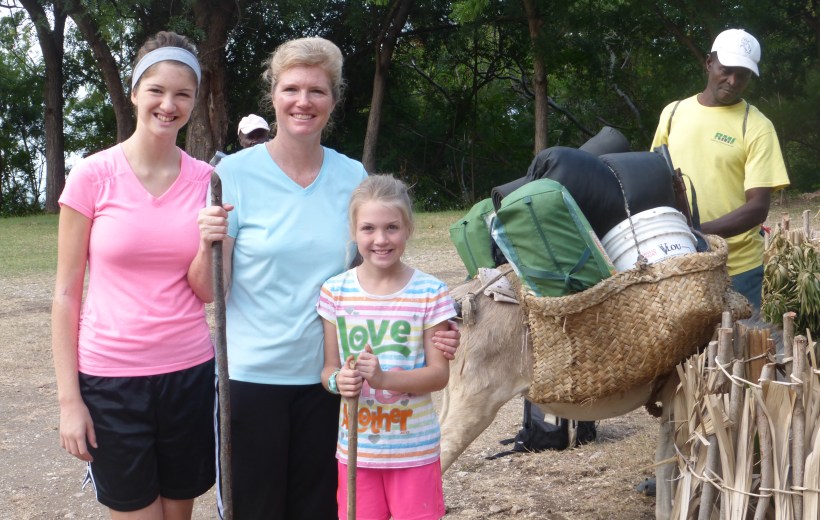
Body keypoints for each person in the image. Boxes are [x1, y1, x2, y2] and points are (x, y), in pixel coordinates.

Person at [189, 37, 460, 519]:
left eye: (317, 90)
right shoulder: (233, 173)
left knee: (320, 510)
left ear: (333, 100)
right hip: (252, 380)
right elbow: (212, 289)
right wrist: (207, 241)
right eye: (291, 88)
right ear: (273, 96)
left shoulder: (351, 175)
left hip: (332, 382)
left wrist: (432, 327)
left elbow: (378, 271)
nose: (303, 101)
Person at [52, 31, 216, 519]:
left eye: (183, 93)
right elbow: (64, 294)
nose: (169, 104)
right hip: (110, 378)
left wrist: (211, 243)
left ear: (194, 101)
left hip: (187, 373)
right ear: (134, 92)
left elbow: (206, 291)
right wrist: (69, 402)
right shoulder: (92, 176)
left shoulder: (208, 180)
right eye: (157, 90)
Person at [317, 174, 455, 520]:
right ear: (353, 231)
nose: (381, 239)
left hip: (414, 449)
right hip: (356, 453)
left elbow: (439, 375)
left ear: (408, 228)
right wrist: (338, 382)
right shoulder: (335, 292)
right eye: (368, 229)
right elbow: (329, 370)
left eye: (392, 227)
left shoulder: (430, 292)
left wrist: (382, 379)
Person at [650, 28, 790, 311]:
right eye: (726, 70)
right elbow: (653, 176)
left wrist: (698, 233)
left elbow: (758, 208)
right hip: (677, 263)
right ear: (708, 63)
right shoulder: (673, 113)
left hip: (737, 270)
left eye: (743, 75)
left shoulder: (757, 126)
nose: (733, 81)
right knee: (689, 354)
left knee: (742, 349)